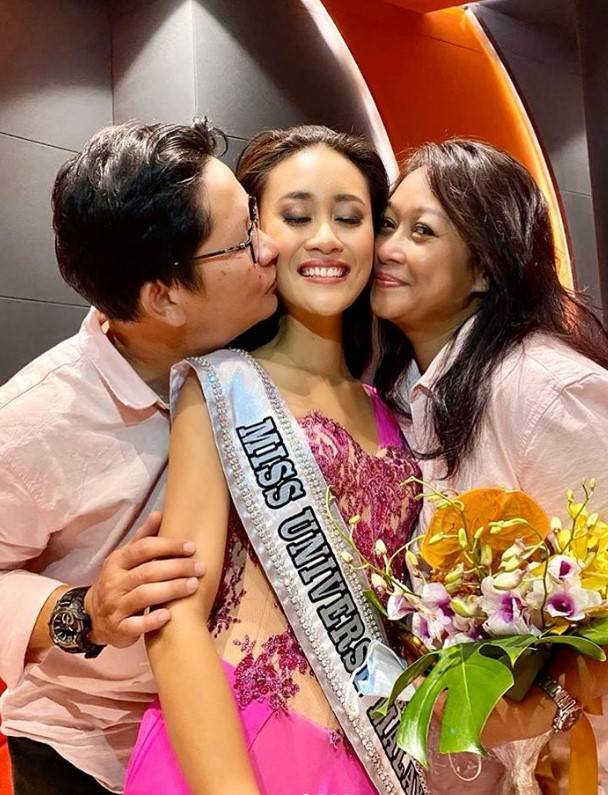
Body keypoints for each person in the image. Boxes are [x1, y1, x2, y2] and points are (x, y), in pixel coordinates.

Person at [124, 125, 426, 795]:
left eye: (350, 217)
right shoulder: (222, 386)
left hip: (370, 752)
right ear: (257, 233)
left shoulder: (397, 409)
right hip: (239, 742)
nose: (326, 239)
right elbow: (175, 616)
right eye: (297, 216)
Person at [0, 119, 279, 795]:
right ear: (164, 296)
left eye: (256, 217)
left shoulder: (262, 356)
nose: (271, 246)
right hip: (90, 750)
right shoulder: (33, 421)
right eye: (244, 239)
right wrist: (84, 609)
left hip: (238, 725)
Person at [372, 138, 608, 792]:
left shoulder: (543, 389)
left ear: (483, 269)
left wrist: (551, 706)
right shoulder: (408, 394)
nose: (386, 247)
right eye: (387, 224)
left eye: (421, 231)